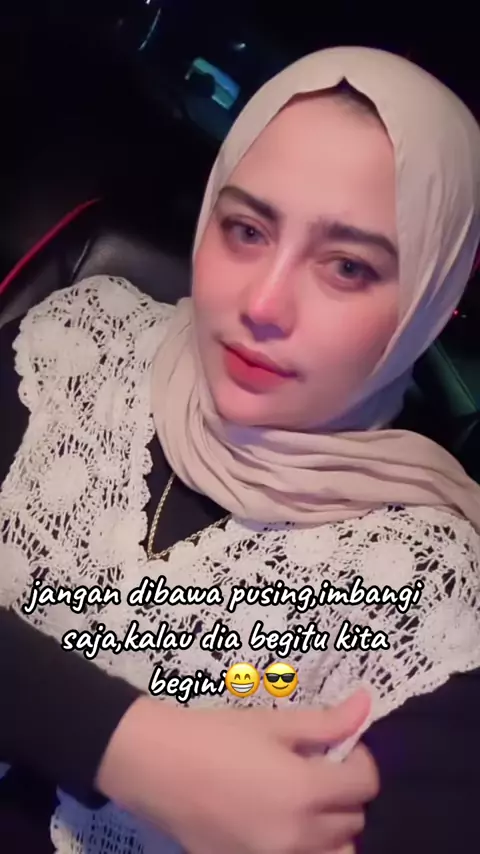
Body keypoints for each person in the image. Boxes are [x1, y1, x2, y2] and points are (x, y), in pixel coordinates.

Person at [1, 44, 480, 854]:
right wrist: (130, 746)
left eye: (347, 266)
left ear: (429, 302)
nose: (263, 303)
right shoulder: (78, 352)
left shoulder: (430, 600)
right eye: (247, 229)